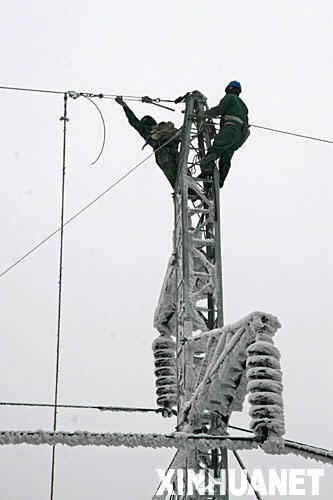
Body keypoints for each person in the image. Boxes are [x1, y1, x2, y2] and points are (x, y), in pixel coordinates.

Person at [115, 96, 180, 188]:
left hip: (162, 152)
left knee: (171, 173)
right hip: (174, 149)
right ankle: (192, 188)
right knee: (183, 169)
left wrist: (123, 105)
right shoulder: (163, 128)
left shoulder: (146, 130)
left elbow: (133, 120)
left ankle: (180, 190)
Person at [200, 81, 250, 188]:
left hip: (230, 128)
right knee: (226, 156)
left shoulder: (229, 97)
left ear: (228, 89)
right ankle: (220, 180)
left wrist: (204, 114)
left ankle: (208, 168)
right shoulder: (244, 106)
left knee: (217, 146)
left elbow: (220, 109)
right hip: (239, 136)